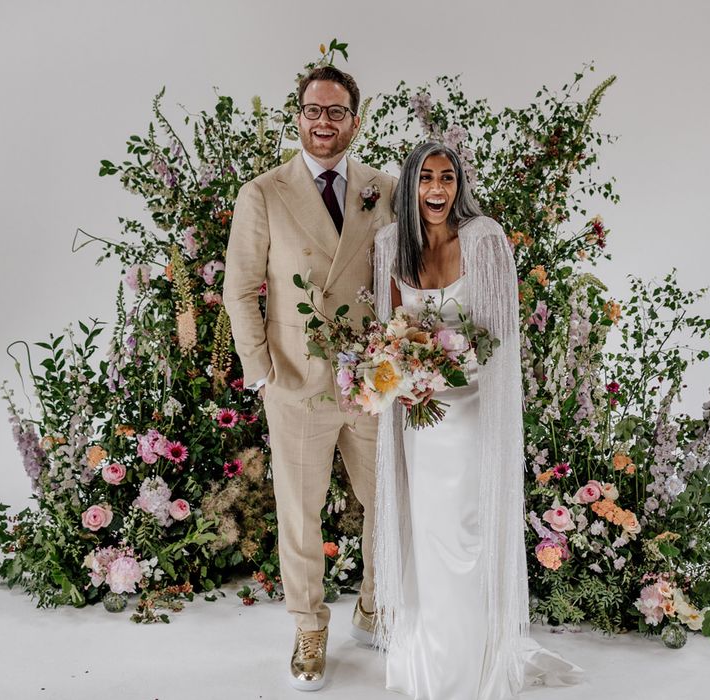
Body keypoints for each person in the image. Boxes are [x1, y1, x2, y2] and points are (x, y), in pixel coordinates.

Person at [373, 142, 583, 699]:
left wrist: (447, 368)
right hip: (420, 416)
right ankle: (428, 656)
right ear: (410, 186)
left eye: (446, 178)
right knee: (426, 528)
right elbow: (389, 332)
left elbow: (499, 337)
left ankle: (470, 663)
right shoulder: (390, 245)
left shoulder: (484, 239)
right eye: (425, 179)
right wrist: (403, 370)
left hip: (468, 413)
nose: (437, 190)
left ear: (459, 184)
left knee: (464, 531)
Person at [223, 65, 396, 691]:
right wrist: (261, 372)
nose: (324, 122)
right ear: (297, 115)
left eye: (336, 111)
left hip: (374, 379)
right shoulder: (264, 192)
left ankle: (378, 609)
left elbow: (403, 280)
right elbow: (240, 289)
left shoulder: (387, 187)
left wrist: (410, 358)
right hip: (297, 380)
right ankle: (309, 627)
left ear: (356, 118)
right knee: (301, 515)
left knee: (388, 502)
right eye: (312, 110)